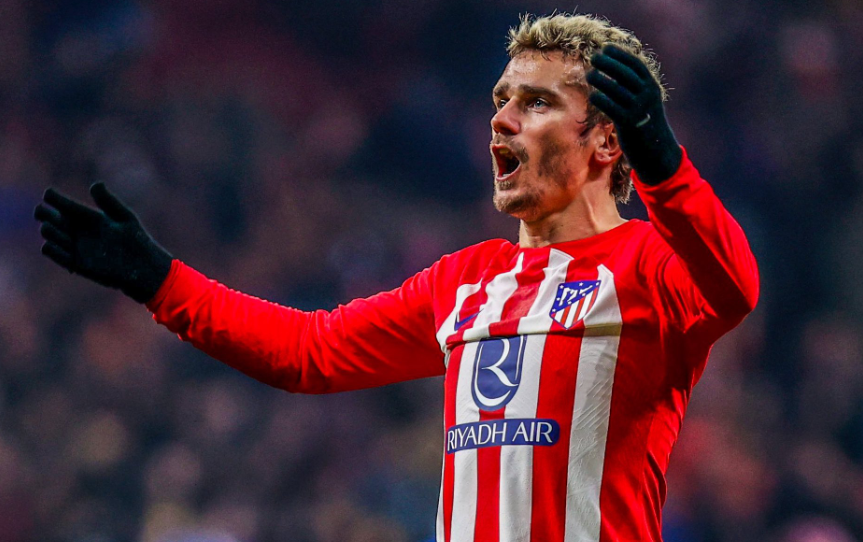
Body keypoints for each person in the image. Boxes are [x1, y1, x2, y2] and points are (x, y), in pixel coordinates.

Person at [34, 12, 759, 542]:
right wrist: (161, 283)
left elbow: (734, 286)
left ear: (605, 139)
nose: (501, 120)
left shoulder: (649, 264)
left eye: (535, 102)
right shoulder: (465, 281)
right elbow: (308, 352)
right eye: (500, 100)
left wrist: (663, 162)